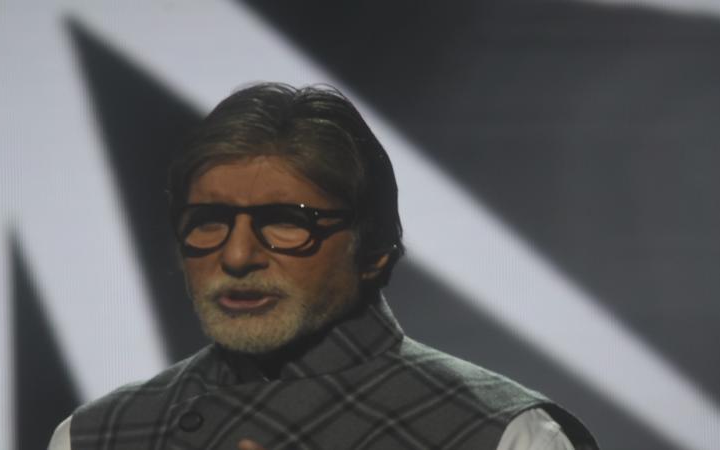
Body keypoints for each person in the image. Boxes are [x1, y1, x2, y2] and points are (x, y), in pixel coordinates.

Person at [49, 83, 598, 450]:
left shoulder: (503, 435)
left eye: (287, 222)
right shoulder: (96, 436)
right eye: (209, 220)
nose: (237, 256)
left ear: (374, 249)